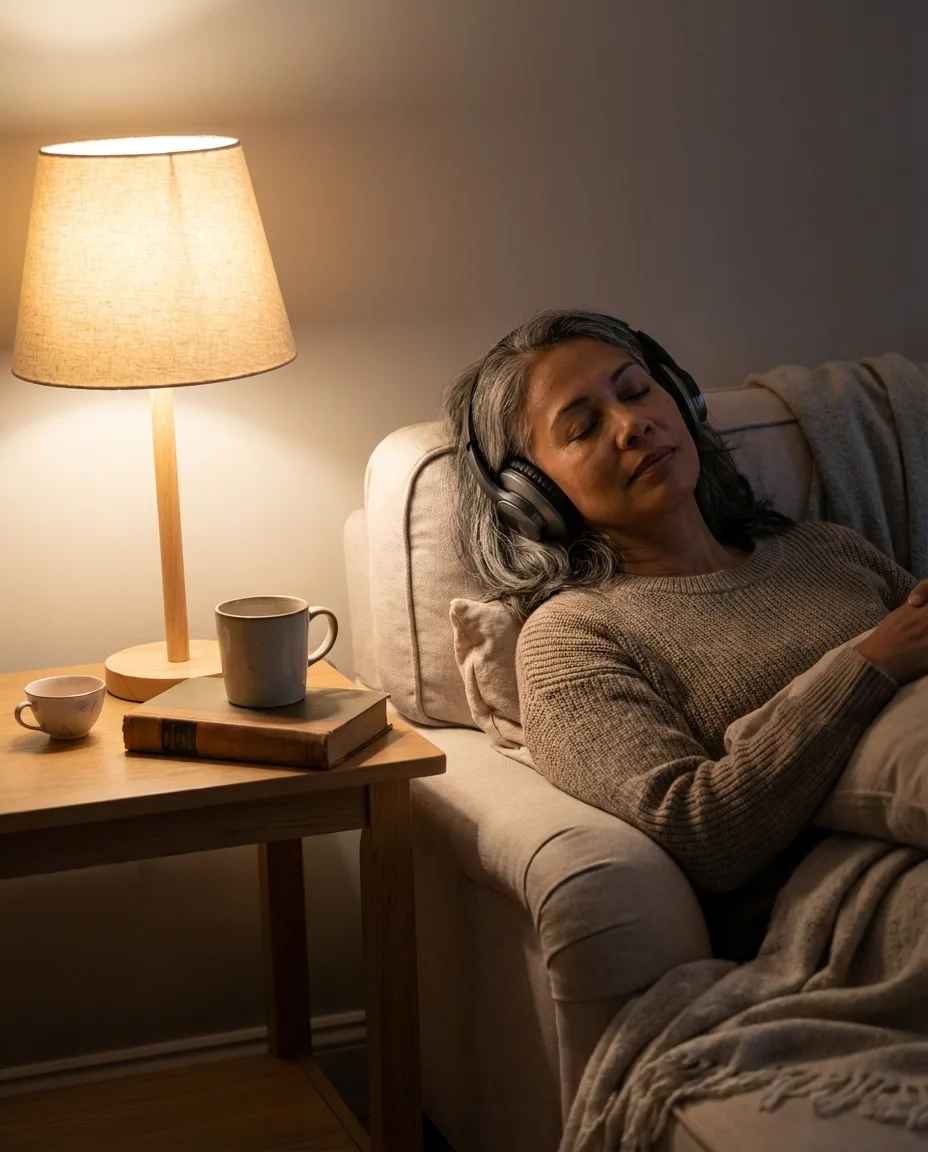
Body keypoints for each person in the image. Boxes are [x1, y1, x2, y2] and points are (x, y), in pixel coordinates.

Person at [443, 309, 928, 962]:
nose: (631, 424)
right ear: (532, 495)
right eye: (583, 426)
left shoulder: (828, 550)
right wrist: (869, 664)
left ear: (682, 397)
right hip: (853, 910)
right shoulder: (571, 640)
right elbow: (703, 834)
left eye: (638, 390)